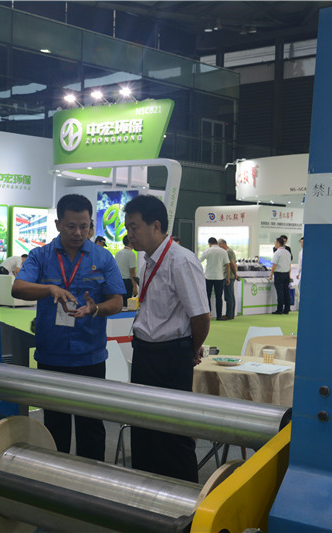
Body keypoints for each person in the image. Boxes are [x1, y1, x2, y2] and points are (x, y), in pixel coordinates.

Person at [13, 194, 124, 461]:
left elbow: (118, 301)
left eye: (84, 226)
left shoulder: (103, 257)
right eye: (71, 226)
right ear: (58, 224)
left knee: (91, 427)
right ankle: (55, 478)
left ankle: (90, 478)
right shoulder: (41, 256)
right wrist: (49, 289)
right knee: (55, 427)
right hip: (52, 356)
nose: (78, 233)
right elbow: (18, 288)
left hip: (90, 357)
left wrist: (96, 308)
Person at [124, 195, 210, 482]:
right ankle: (147, 492)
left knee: (173, 432)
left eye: (134, 227)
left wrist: (190, 349)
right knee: (143, 428)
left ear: (156, 225)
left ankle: (184, 500)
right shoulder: (147, 261)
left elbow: (200, 316)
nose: (130, 234)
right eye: (128, 227)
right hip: (145, 353)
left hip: (172, 356)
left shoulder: (181, 260)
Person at [199, 237, 229, 320]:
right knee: (219, 297)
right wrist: (228, 278)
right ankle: (219, 316)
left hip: (208, 276)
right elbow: (227, 265)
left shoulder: (207, 251)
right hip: (219, 277)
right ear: (216, 242)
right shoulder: (223, 251)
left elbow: (199, 261)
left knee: (207, 296)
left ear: (209, 243)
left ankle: (208, 315)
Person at [269, 237, 292, 314]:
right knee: (286, 292)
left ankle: (279, 309)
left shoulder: (277, 253)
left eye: (275, 243)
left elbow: (274, 264)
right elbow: (289, 264)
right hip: (286, 274)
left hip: (279, 274)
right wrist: (289, 274)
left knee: (280, 292)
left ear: (278, 243)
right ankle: (287, 309)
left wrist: (271, 274)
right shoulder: (287, 252)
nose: (274, 244)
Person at [218, 239, 239, 320]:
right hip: (231, 275)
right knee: (231, 296)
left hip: (229, 276)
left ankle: (229, 315)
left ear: (222, 244)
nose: (218, 247)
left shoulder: (227, 252)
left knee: (228, 296)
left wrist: (234, 274)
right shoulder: (230, 251)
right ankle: (231, 314)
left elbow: (232, 264)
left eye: (219, 244)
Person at [115, 235, 138, 307]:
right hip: (127, 283)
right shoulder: (131, 254)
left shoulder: (118, 253)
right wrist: (135, 286)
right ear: (130, 242)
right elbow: (132, 272)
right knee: (127, 305)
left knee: (120, 304)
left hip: (118, 281)